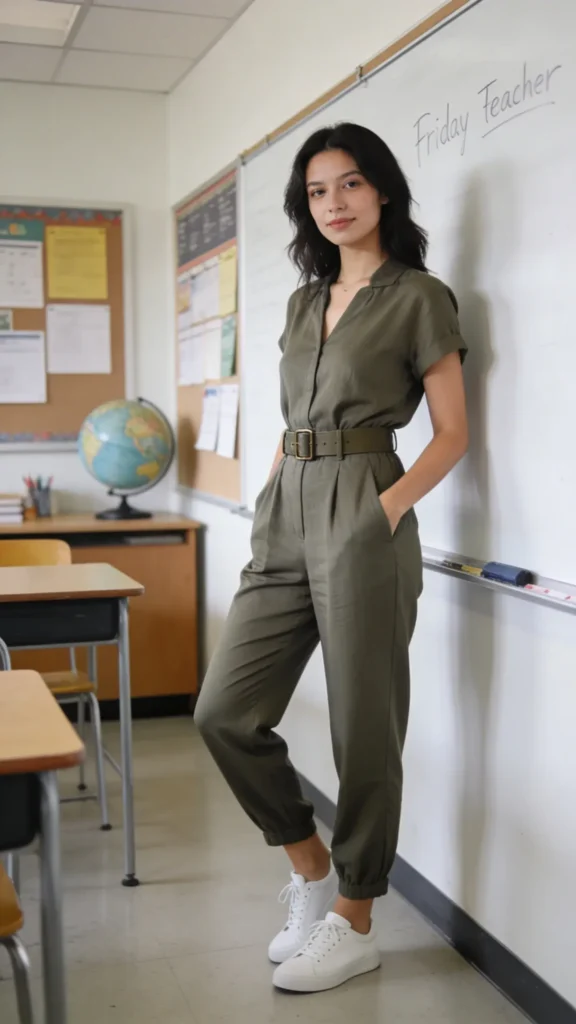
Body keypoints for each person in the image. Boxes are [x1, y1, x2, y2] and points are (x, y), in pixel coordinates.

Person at [195, 122, 468, 993]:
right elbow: (292, 420)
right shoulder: (302, 302)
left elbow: (453, 434)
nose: (334, 203)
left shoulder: (419, 296)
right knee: (223, 713)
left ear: (381, 189)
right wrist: (271, 501)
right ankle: (312, 870)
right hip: (287, 504)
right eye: (317, 192)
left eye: (349, 184)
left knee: (364, 727)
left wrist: (381, 511)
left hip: (363, 502)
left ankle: (355, 918)